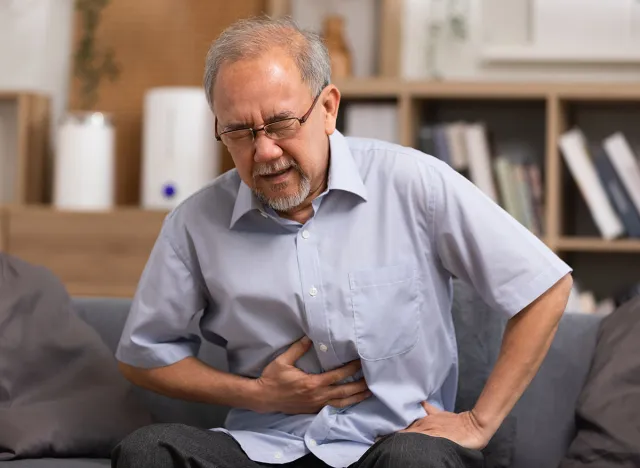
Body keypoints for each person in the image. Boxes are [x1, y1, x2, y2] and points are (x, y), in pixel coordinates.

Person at [112, 15, 573, 468]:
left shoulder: (413, 183)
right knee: (148, 451)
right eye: (239, 132)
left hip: (395, 445)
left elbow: (545, 286)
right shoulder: (194, 223)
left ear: (328, 108)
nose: (265, 151)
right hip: (264, 447)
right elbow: (143, 356)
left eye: (281, 123)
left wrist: (477, 422)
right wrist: (257, 393)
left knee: (413, 460)